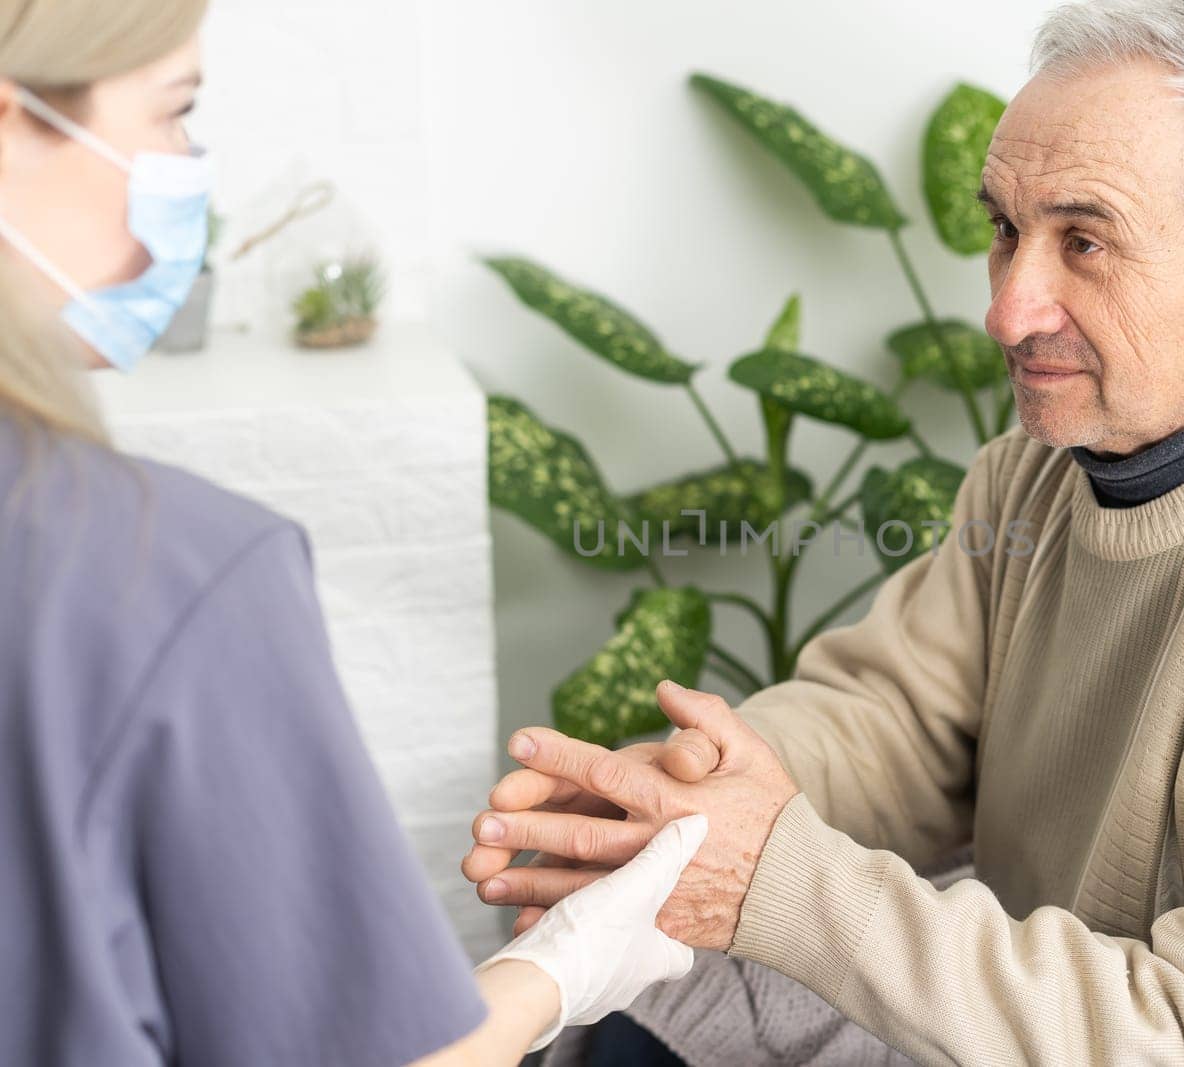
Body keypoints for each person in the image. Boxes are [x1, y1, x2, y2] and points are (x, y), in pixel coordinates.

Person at [465, 1, 1184, 1062]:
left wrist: (779, 879)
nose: (1009, 308)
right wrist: (680, 795)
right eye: (1007, 230)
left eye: (1085, 243)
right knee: (634, 1019)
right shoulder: (1053, 460)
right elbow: (902, 717)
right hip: (1060, 1002)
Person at [0, 2, 714, 1063]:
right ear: (12, 129)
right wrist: (554, 973)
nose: (189, 165)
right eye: (173, 111)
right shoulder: (164, 576)